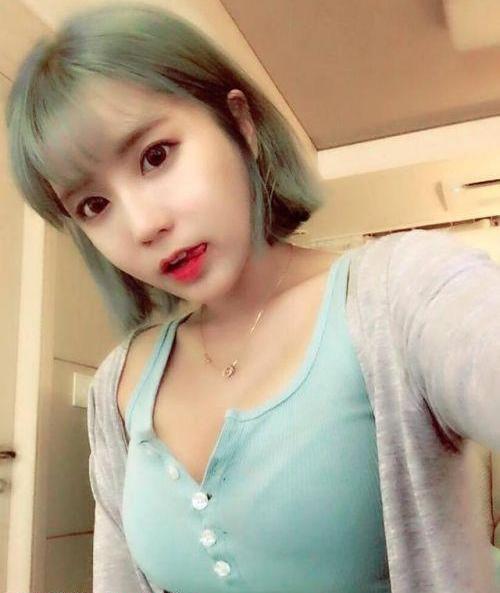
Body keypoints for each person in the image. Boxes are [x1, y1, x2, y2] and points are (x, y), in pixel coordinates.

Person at [5, 4, 500, 593]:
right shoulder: (118, 387)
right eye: (94, 205)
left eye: (156, 156)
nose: (142, 225)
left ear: (239, 125)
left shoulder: (400, 293)